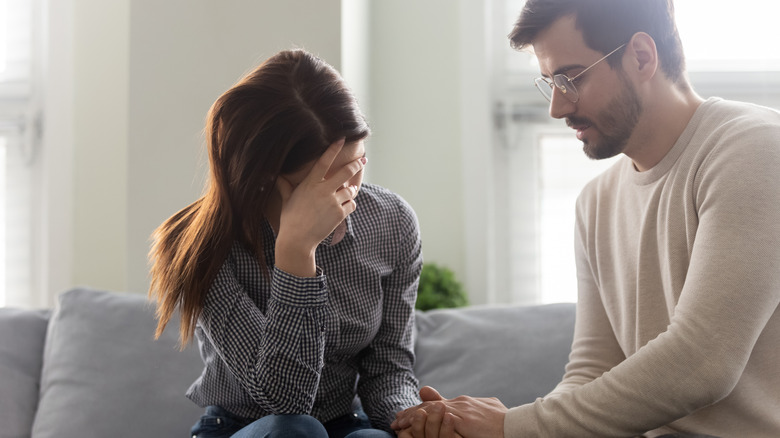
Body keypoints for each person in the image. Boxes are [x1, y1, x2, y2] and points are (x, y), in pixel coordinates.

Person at [391, 0, 780, 436]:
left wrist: (511, 427)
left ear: (641, 56)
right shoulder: (596, 201)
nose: (557, 107)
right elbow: (591, 370)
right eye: (549, 82)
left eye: (570, 78)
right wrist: (478, 427)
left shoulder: (754, 150)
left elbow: (704, 361)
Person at [148, 49, 423, 438]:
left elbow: (388, 369)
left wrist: (409, 419)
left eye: (357, 164)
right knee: (296, 431)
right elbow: (286, 403)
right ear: (265, 176)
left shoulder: (391, 222)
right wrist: (296, 252)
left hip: (344, 423)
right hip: (242, 427)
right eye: (324, 182)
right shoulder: (201, 242)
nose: (347, 193)